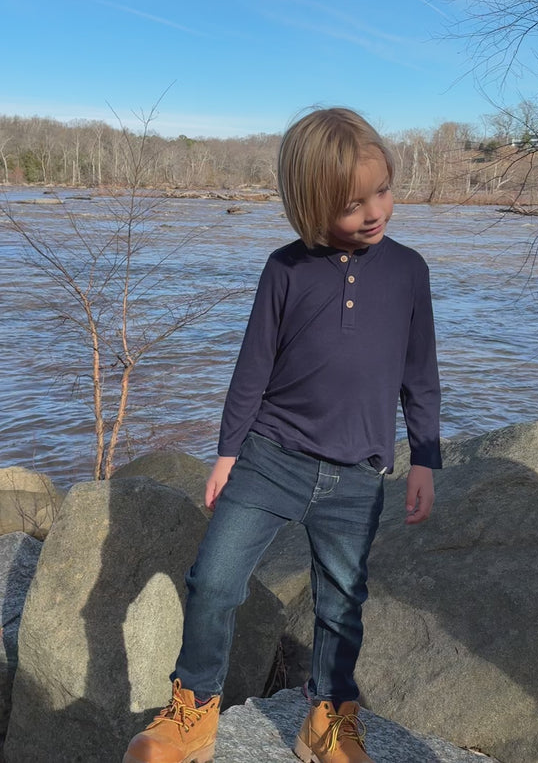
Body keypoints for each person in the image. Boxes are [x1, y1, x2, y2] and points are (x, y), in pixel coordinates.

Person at [123, 107, 442, 763]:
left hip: (359, 473)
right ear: (310, 205)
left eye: (382, 190)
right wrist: (226, 454)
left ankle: (327, 716)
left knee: (341, 604)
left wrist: (426, 458)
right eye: (353, 204)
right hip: (271, 457)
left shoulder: (408, 271)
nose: (375, 211)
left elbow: (421, 370)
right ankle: (195, 707)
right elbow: (252, 369)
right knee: (213, 580)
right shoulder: (286, 269)